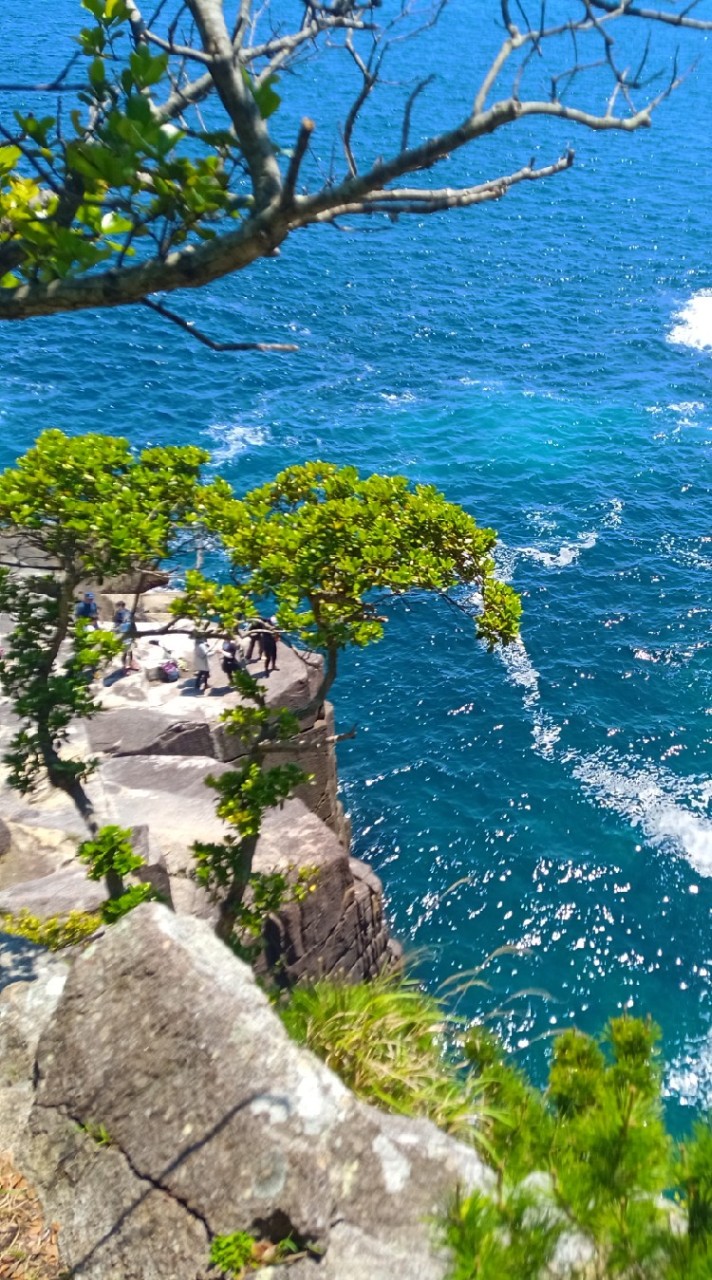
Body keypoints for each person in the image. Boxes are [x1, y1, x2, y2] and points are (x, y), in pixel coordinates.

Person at [113, 601, 134, 675]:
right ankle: (126, 666)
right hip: (121, 634)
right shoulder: (118, 613)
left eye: (117, 606)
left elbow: (127, 624)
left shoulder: (126, 614)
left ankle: (127, 667)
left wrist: (117, 630)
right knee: (126, 651)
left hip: (125, 634)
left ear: (121, 606)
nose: (117, 608)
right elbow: (115, 624)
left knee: (127, 651)